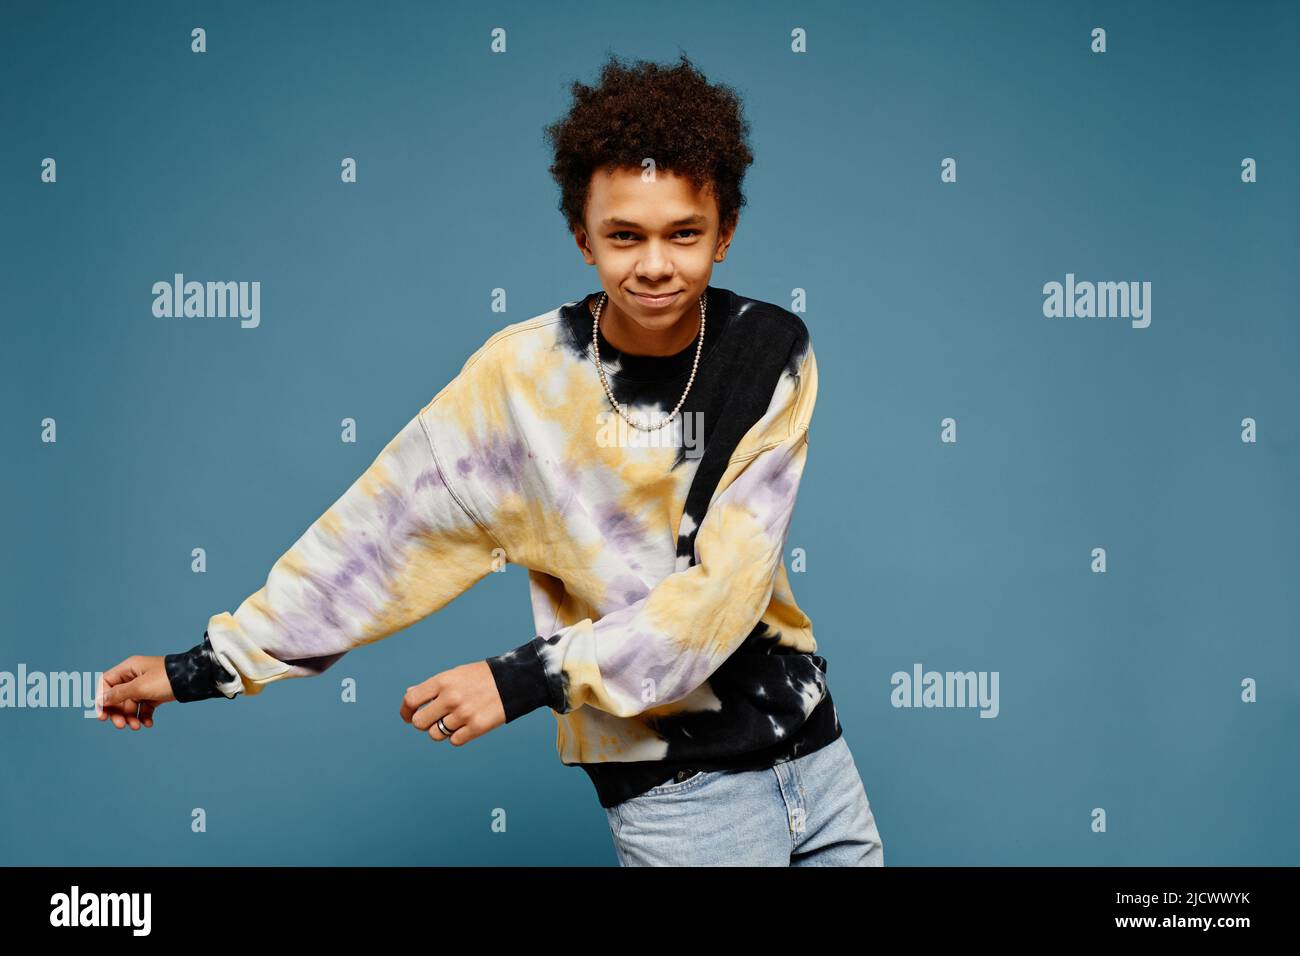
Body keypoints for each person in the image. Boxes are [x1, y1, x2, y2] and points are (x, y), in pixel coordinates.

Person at [97, 52, 884, 867]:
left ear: (725, 234)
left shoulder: (771, 352)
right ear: (583, 239)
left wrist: (520, 679)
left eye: (684, 232)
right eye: (624, 235)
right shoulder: (521, 383)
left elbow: (724, 592)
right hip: (682, 797)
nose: (655, 263)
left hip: (819, 760)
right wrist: (207, 666)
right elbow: (377, 535)